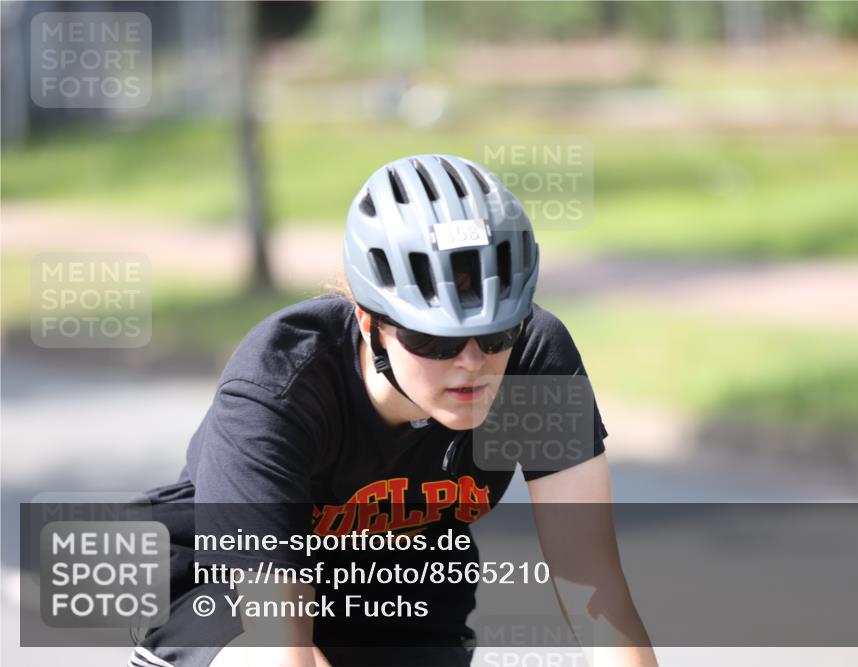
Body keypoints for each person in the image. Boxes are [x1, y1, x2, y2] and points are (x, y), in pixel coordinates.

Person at [129, 155, 657, 667]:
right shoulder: (282, 384)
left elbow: (594, 589)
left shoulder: (533, 359)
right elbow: (278, 644)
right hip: (229, 601)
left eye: (498, 332)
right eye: (434, 340)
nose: (472, 362)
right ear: (371, 324)